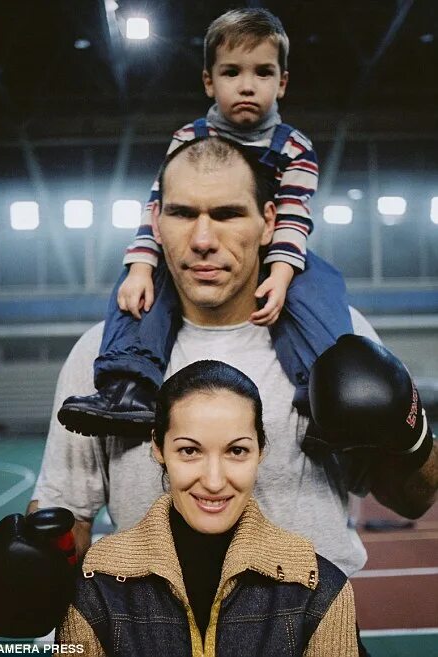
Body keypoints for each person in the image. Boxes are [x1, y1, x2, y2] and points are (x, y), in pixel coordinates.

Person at [31, 137, 437, 580]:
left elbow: (414, 499)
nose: (203, 240)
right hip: (151, 620)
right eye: (182, 214)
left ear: (269, 223)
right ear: (156, 222)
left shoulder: (336, 339)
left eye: (228, 214)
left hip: (313, 619)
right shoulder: (107, 356)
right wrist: (37, 567)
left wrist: (411, 437)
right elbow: (67, 514)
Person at [57, 7, 354, 438]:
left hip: (274, 254)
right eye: (231, 72)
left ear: (282, 83)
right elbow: (158, 206)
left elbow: (293, 216)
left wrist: (282, 274)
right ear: (209, 82)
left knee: (321, 294)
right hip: (198, 260)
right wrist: (140, 266)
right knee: (136, 293)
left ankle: (329, 403)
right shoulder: (188, 138)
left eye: (263, 72)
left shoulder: (295, 148)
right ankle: (128, 387)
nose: (247, 85)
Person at [57, 360, 360, 656]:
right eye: (189, 450)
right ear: (158, 448)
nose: (214, 482)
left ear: (260, 451)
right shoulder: (97, 583)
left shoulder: (320, 589)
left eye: (237, 450)